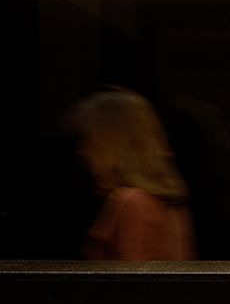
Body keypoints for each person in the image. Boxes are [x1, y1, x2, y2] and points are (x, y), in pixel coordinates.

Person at [71, 87, 197, 261]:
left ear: (111, 142)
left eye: (87, 139)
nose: (82, 151)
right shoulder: (169, 201)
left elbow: (131, 276)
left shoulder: (131, 201)